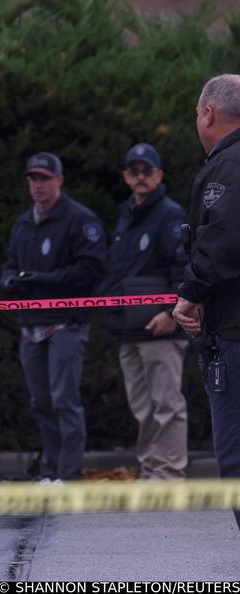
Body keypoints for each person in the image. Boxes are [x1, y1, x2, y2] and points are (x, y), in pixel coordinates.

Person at [0, 152, 106, 484]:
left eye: (45, 178)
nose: (38, 185)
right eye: (33, 179)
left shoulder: (80, 220)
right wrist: (9, 280)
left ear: (59, 180)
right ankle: (50, 470)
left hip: (66, 322)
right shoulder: (23, 223)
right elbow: (10, 263)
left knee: (64, 399)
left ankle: (69, 474)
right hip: (30, 324)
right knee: (41, 401)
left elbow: (90, 270)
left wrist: (43, 280)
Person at [99, 143, 189, 480]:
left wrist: (171, 312)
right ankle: (152, 470)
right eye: (134, 171)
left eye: (146, 171)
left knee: (167, 404)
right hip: (130, 327)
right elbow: (117, 272)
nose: (140, 177)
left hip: (161, 326)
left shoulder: (169, 214)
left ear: (159, 175)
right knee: (143, 408)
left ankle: (170, 475)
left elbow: (182, 267)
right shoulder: (126, 216)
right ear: (125, 176)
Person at [174, 74, 240, 528]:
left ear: (210, 113)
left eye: (198, 113)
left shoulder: (228, 166)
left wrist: (190, 294)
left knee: (235, 461)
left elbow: (222, 242)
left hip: (235, 331)